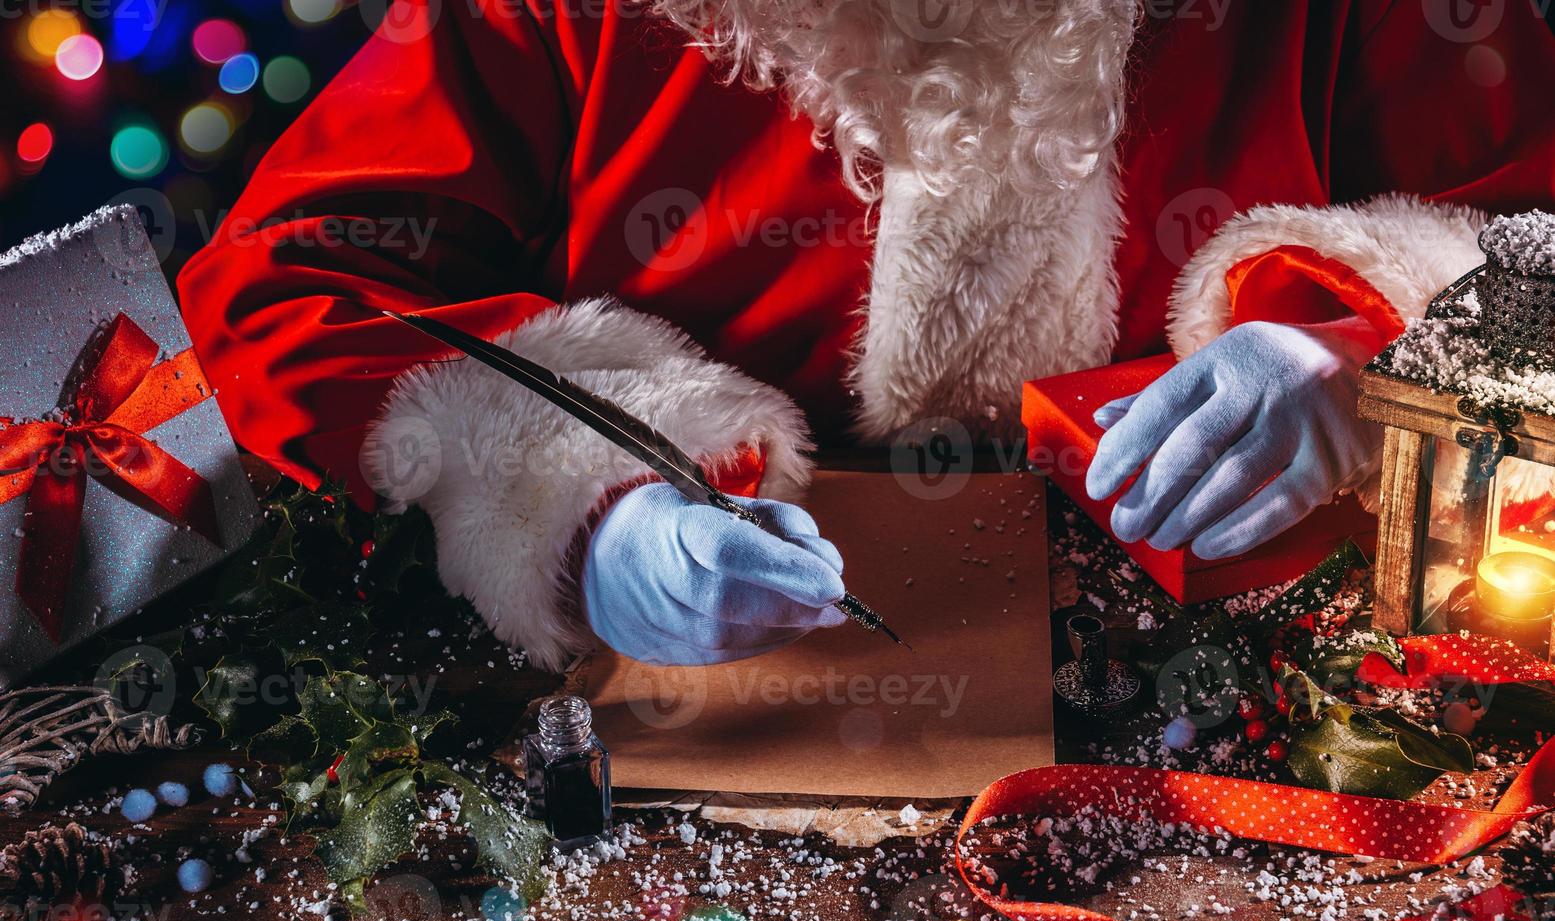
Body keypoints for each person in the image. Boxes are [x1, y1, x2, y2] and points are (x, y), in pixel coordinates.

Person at [178, 0, 1555, 670]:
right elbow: (291, 281)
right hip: (640, 727)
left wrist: (1354, 351)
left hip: (1232, 689)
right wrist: (571, 506)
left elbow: (1527, 215)